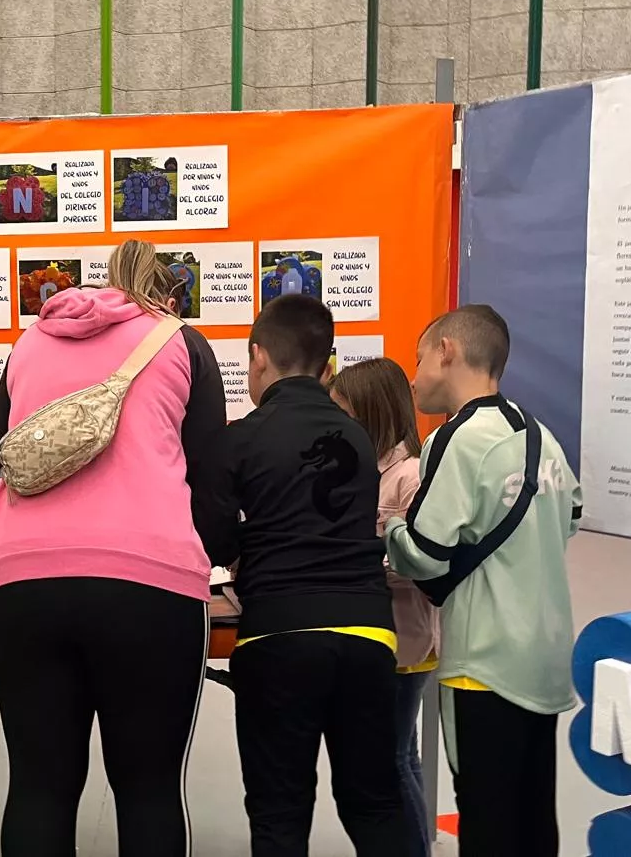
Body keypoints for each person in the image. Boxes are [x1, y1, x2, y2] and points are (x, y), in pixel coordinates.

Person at [0, 239, 235, 857]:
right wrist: (213, 559)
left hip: (16, 579)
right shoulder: (182, 343)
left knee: (39, 786)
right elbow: (213, 489)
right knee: (149, 790)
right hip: (146, 584)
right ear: (169, 291)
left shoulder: (28, 342)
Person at [384, 305, 580, 857]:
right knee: (532, 816)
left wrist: (391, 526)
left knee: (487, 821)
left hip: (485, 663)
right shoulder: (541, 436)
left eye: (419, 357)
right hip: (543, 656)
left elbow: (425, 554)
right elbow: (571, 517)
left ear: (447, 351)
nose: (415, 373)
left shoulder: (458, 437)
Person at [222, 295, 411, 856]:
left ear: (259, 357)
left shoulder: (243, 438)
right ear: (327, 363)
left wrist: (245, 548)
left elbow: (209, 535)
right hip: (368, 635)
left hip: (278, 636)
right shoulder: (356, 437)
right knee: (376, 805)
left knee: (280, 813)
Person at [330, 356, 438, 857]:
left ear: (370, 413)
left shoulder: (409, 477)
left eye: (344, 413)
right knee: (400, 755)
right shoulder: (365, 469)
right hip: (382, 634)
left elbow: (418, 561)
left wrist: (350, 560)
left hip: (405, 637)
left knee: (392, 758)